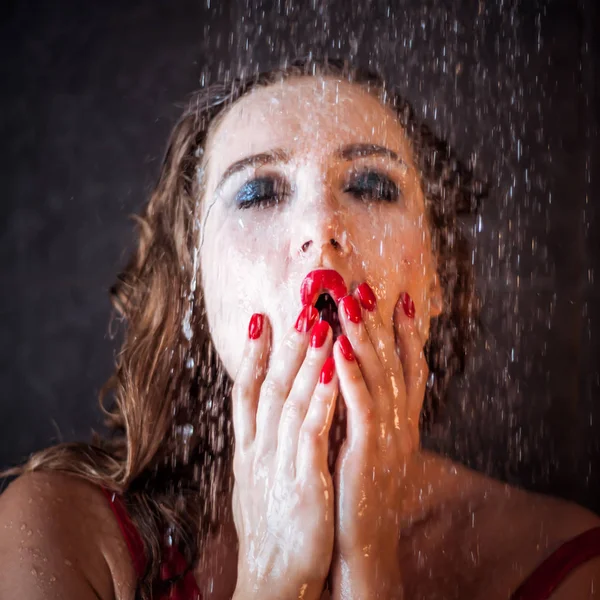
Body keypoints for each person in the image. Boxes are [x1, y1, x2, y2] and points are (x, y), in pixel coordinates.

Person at [0, 57, 599, 600]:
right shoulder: (60, 533)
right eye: (259, 193)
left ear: (434, 277)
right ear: (193, 286)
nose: (323, 225)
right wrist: (273, 578)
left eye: (370, 185)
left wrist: (369, 571)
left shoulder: (566, 560)